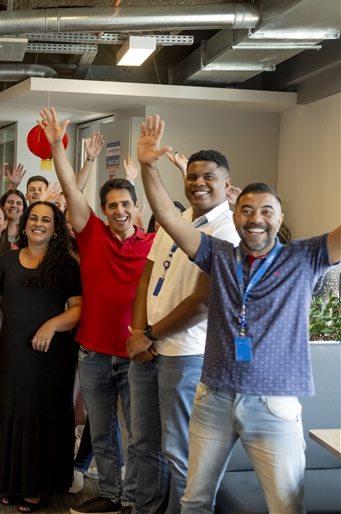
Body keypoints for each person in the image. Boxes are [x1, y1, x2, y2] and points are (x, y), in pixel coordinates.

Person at [136, 115, 341, 514]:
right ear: (234, 215)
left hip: (273, 404)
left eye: (266, 211)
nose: (256, 218)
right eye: (246, 210)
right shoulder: (219, 255)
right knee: (195, 501)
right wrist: (148, 166)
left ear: (279, 218)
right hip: (214, 397)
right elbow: (169, 218)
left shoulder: (305, 257)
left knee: (286, 506)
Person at [39, 107, 155, 514]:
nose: (119, 211)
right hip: (93, 353)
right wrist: (57, 145)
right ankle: (110, 494)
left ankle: (134, 499)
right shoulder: (91, 235)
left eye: (126, 204)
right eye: (112, 205)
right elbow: (71, 190)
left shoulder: (153, 244)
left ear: (137, 207)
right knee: (102, 433)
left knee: (137, 435)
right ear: (103, 210)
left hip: (137, 355)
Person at [125, 150, 239, 514]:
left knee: (178, 451)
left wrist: (150, 335)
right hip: (148, 348)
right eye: (192, 176)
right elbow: (147, 278)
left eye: (208, 177)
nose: (199, 183)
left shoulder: (228, 231)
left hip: (187, 354)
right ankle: (146, 510)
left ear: (226, 183)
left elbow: (203, 302)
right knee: (144, 443)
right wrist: (139, 333)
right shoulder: (177, 220)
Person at [0, 201, 83, 512]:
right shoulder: (7, 260)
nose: (38, 224)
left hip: (51, 353)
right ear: (24, 224)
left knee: (41, 414)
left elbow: (78, 309)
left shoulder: (66, 262)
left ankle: (35, 486)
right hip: (13, 349)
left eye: (46, 219)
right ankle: (13, 481)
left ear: (55, 228)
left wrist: (52, 325)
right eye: (33, 218)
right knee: (11, 410)